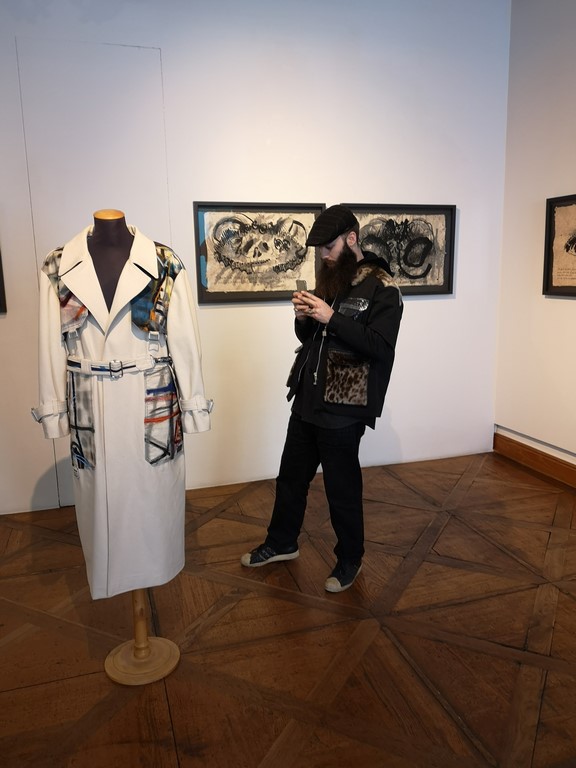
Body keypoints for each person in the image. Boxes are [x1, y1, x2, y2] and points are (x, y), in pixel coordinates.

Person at [241, 204, 403, 592]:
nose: (324, 256)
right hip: (308, 398)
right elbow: (313, 340)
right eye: (320, 250)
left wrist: (332, 318)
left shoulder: (384, 288)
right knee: (290, 479)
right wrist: (303, 319)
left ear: (351, 239)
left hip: (344, 406)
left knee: (341, 489)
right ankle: (282, 542)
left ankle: (350, 559)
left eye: (329, 248)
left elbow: (381, 348)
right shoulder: (331, 278)